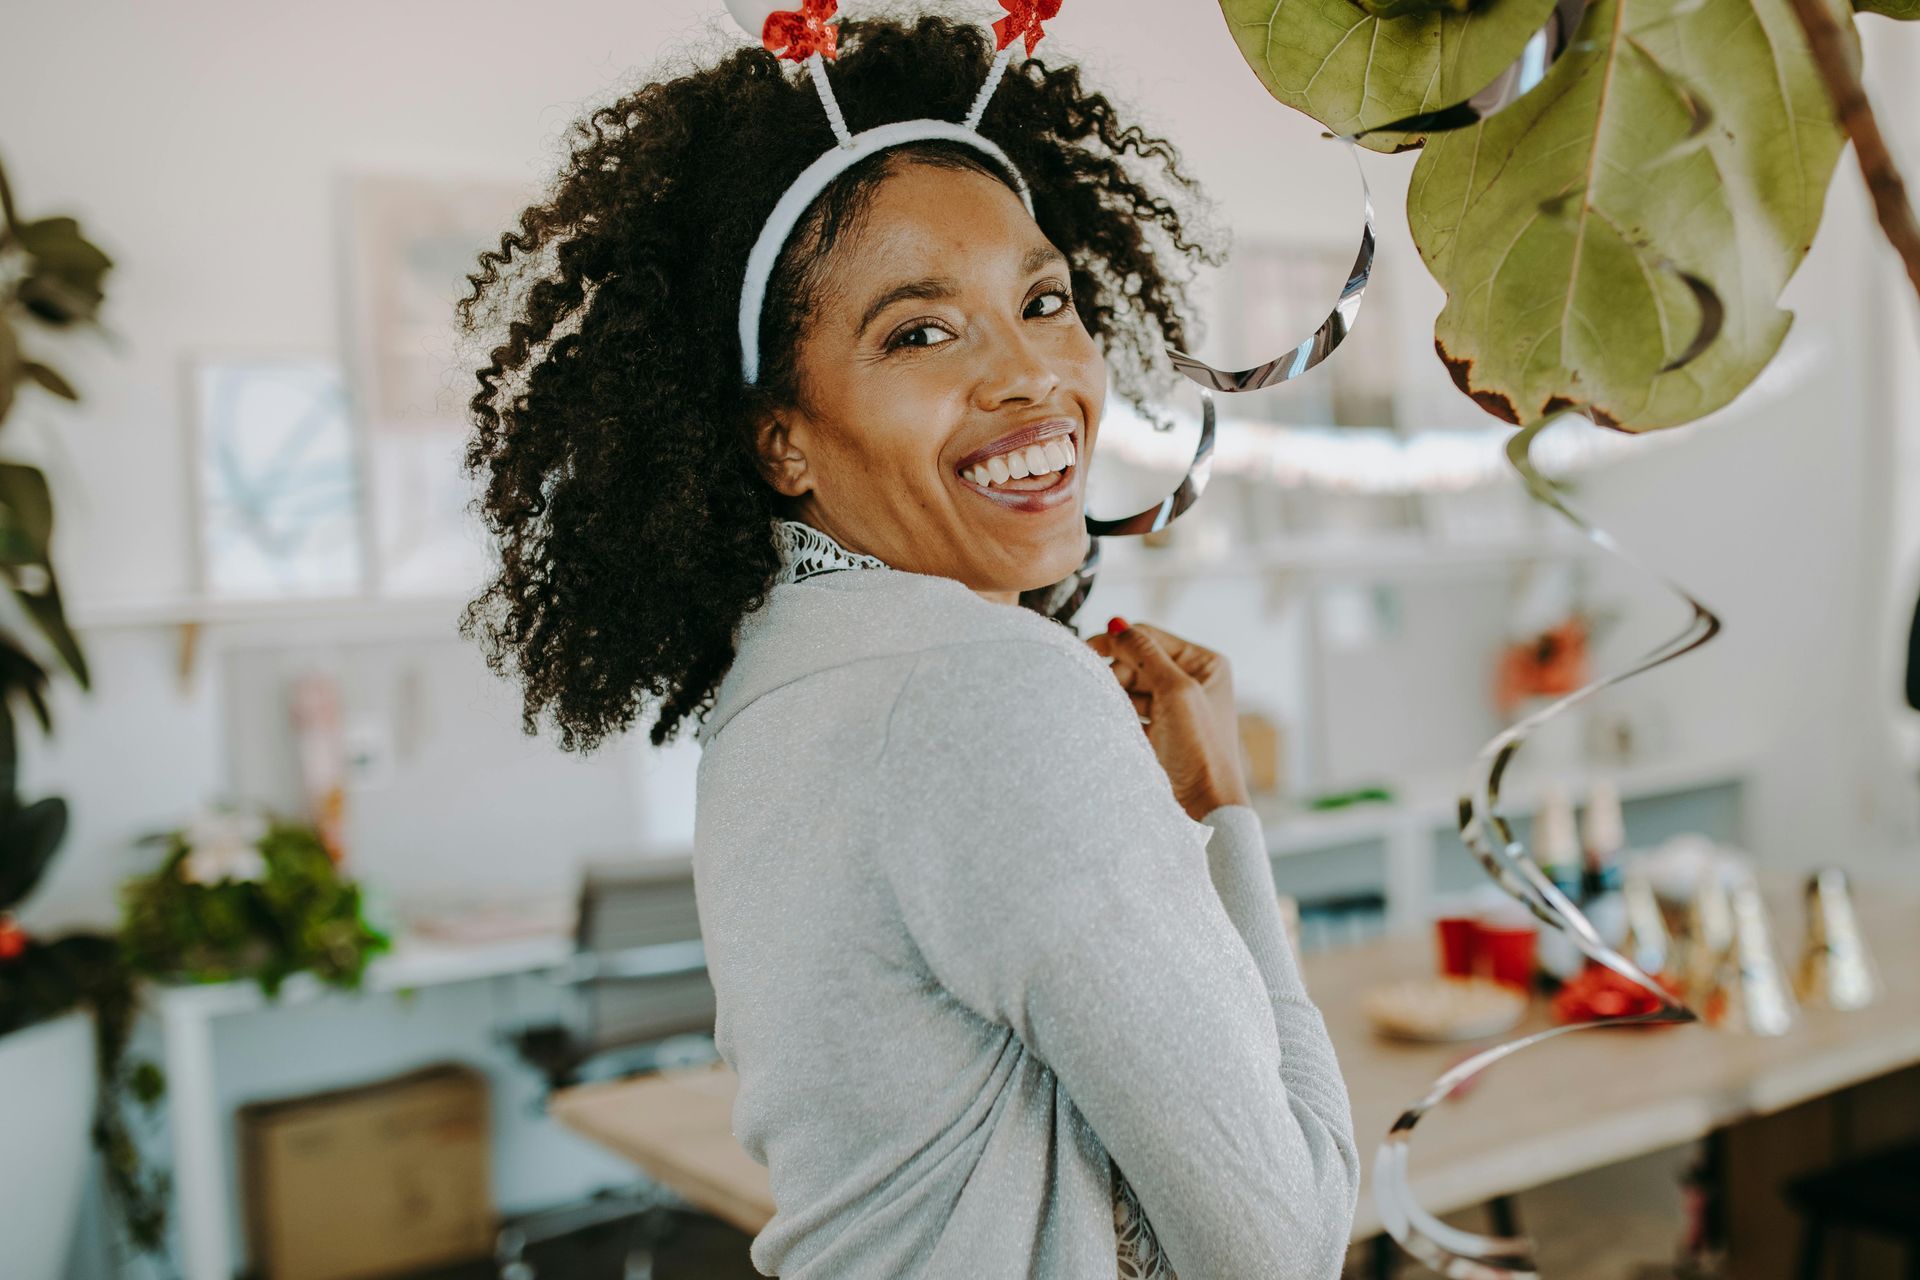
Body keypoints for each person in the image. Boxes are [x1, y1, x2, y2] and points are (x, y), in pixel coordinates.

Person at [457, 7, 1359, 1276]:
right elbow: (1284, 1241)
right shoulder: (987, 685)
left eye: (1043, 300)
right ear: (784, 438)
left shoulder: (773, 689)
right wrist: (1220, 813)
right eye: (919, 332)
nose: (1032, 375)